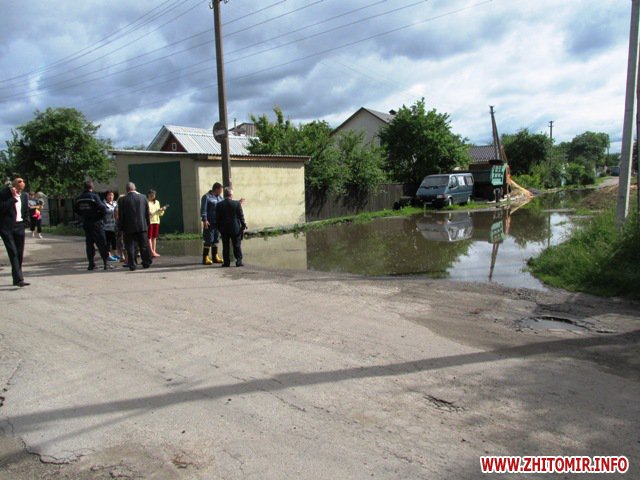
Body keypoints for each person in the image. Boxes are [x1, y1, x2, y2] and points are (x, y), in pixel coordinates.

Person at [74, 180, 111, 271]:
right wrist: (101, 217)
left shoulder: (79, 198)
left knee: (89, 244)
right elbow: (103, 208)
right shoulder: (94, 196)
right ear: (92, 187)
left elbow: (76, 210)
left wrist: (83, 215)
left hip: (86, 223)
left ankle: (91, 264)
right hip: (96, 222)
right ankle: (105, 263)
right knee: (102, 243)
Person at [0, 177, 30, 287]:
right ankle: (19, 279)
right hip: (7, 228)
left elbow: (25, 210)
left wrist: (26, 222)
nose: (22, 183)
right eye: (19, 181)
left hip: (20, 226)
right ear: (14, 184)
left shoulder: (24, 195)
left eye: (23, 181)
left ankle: (16, 279)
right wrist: (13, 197)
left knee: (19, 253)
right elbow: (2, 208)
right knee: (13, 252)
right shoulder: (4, 194)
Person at [118, 182, 152, 271]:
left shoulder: (122, 200)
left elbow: (121, 215)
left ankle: (132, 264)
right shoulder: (143, 197)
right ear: (135, 188)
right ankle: (146, 262)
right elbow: (147, 212)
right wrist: (148, 224)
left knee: (130, 246)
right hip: (142, 226)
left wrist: (120, 227)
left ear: (126, 190)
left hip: (128, 227)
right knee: (143, 245)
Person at [215, 187, 247, 267]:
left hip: (224, 228)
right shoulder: (236, 204)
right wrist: (243, 224)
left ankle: (226, 262)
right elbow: (241, 216)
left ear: (225, 195)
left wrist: (218, 227)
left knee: (225, 246)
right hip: (235, 228)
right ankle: (238, 261)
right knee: (236, 245)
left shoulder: (219, 205)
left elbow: (217, 218)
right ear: (231, 195)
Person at [200, 182, 224, 265]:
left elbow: (225, 204)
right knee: (208, 240)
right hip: (209, 222)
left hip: (217, 222)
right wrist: (204, 220)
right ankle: (205, 257)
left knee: (216, 240)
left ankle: (215, 256)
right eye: (220, 190)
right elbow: (203, 209)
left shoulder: (220, 198)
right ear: (216, 189)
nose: (221, 192)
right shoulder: (206, 197)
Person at [147, 189, 166, 258]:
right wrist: (148, 212)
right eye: (151, 194)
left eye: (154, 195)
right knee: (149, 237)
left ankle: (154, 251)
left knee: (154, 237)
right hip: (149, 221)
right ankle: (151, 251)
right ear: (148, 195)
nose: (153, 196)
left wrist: (162, 210)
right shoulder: (146, 202)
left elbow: (160, 214)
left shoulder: (157, 202)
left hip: (156, 221)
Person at [103, 190, 119, 261]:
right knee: (108, 241)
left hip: (115, 226)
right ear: (106, 196)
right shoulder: (104, 204)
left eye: (112, 195)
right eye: (109, 195)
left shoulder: (115, 203)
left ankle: (115, 254)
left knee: (114, 240)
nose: (110, 197)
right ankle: (108, 255)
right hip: (107, 226)